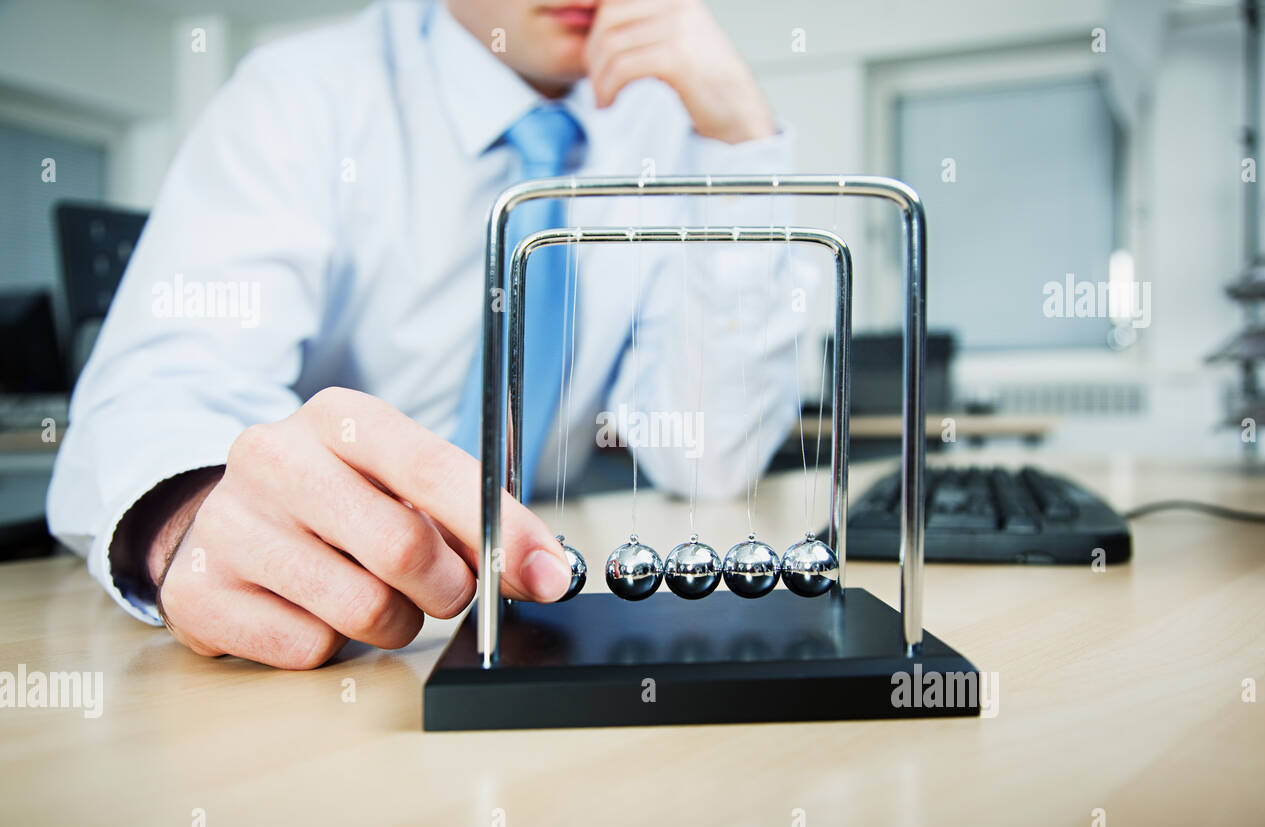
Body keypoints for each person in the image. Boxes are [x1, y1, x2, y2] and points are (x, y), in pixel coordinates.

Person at [48, 0, 807, 669]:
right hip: (350, 646)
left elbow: (709, 456)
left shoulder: (665, 127)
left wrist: (742, 143)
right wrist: (194, 516)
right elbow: (160, 387)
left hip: (540, 619)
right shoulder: (298, 93)